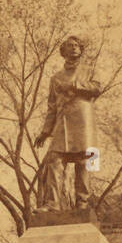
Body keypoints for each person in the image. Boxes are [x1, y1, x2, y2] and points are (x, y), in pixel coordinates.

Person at [34, 35, 102, 213]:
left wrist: (75, 86)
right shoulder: (55, 78)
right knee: (54, 159)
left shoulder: (89, 70)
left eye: (76, 45)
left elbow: (97, 88)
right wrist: (45, 131)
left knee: (84, 161)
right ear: (63, 52)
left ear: (80, 49)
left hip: (83, 121)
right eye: (69, 46)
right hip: (62, 123)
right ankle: (52, 203)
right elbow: (51, 107)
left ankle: (82, 202)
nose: (73, 48)